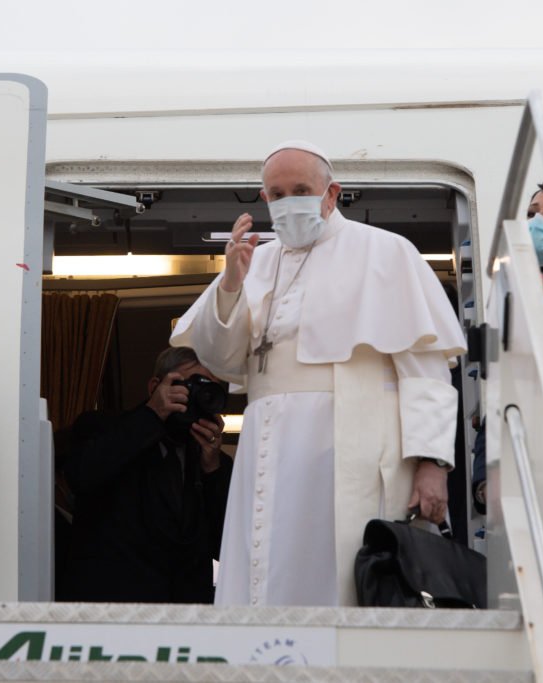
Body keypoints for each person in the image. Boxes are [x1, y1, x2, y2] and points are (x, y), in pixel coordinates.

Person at [171, 140, 467, 606]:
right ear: (265, 200)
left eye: (302, 189)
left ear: (332, 194)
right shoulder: (254, 260)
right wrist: (230, 283)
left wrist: (431, 465)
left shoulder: (387, 252)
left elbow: (426, 374)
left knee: (339, 581)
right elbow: (222, 360)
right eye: (277, 192)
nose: (290, 200)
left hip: (349, 447)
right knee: (261, 572)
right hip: (265, 446)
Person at [64, 347, 233, 603]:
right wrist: (152, 414)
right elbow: (81, 475)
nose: (200, 395)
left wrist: (211, 469)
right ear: (156, 385)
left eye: (210, 388)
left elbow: (227, 545)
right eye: (193, 383)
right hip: (115, 610)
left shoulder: (214, 462)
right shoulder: (101, 427)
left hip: (187, 616)